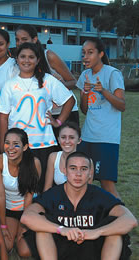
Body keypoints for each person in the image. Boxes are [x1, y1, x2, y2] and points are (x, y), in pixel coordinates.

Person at [21, 152, 137, 260]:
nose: (78, 174)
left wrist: (98, 232)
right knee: (42, 228)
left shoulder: (99, 195)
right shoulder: (53, 194)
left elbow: (130, 220)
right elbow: (27, 217)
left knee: (114, 230)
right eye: (73, 168)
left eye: (84, 169)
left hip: (92, 249)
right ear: (64, 171)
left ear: (90, 173)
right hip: (60, 249)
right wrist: (61, 229)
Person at [0, 42, 74, 192]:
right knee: (22, 187)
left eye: (31, 57)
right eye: (23, 57)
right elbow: (3, 118)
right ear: (16, 59)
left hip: (43, 143)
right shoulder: (10, 85)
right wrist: (2, 144)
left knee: (43, 186)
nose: (27, 60)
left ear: (38, 60)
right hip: (18, 145)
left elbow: (69, 100)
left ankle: (42, 214)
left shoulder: (48, 80)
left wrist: (58, 121)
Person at [77, 38, 125, 199]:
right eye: (83, 53)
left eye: (90, 52)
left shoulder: (112, 73)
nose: (85, 56)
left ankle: (123, 219)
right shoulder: (85, 75)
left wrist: (103, 91)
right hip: (87, 136)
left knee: (106, 183)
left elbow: (122, 105)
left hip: (106, 138)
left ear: (101, 54)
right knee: (82, 180)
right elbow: (84, 110)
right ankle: (89, 216)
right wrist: (84, 94)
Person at [15, 24, 79, 142]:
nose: (20, 43)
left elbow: (73, 81)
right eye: (17, 40)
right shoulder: (19, 61)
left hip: (64, 112)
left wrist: (56, 89)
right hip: (43, 115)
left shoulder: (48, 55)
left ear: (34, 39)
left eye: (24, 39)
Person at [0, 128, 40, 257]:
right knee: (6, 245)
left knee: (25, 252)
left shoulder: (34, 163)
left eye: (16, 144)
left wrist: (24, 225)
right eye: (7, 143)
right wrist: (2, 225)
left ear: (25, 147)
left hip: (27, 208)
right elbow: (0, 195)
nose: (10, 148)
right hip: (7, 209)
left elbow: (28, 197)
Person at [44, 122, 93, 191]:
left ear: (79, 140)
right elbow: (47, 188)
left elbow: (88, 190)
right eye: (63, 137)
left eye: (71, 137)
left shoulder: (87, 161)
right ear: (58, 140)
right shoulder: (53, 157)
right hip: (58, 199)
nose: (67, 141)